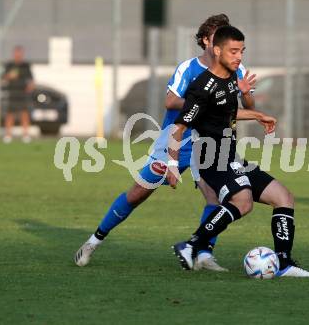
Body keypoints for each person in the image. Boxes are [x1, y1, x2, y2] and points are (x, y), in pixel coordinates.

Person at [74, 14, 256, 271]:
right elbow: (170, 101)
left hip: (210, 142)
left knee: (215, 196)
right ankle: (94, 241)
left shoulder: (237, 70)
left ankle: (203, 254)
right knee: (139, 193)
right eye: (218, 39)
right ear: (206, 41)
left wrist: (246, 98)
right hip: (176, 139)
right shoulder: (188, 68)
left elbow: (243, 105)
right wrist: (205, 101)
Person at [168, 25, 309, 277]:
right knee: (243, 202)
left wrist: (257, 114)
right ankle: (192, 244)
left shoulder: (230, 79)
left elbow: (227, 112)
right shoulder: (201, 87)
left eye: (242, 51)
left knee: (284, 198)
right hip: (211, 159)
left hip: (230, 156)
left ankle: (284, 263)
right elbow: (178, 128)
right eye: (233, 51)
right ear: (217, 50)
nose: (239, 56)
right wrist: (172, 166)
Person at [1, 46, 35, 143]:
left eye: (20, 53)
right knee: (10, 114)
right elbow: (3, 77)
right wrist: (9, 76)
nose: (18, 55)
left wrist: (31, 86)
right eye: (16, 53)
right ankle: (8, 135)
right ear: (14, 54)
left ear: (22, 54)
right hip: (12, 92)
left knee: (24, 113)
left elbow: (31, 79)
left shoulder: (26, 65)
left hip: (23, 93)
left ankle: (25, 135)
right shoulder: (9, 65)